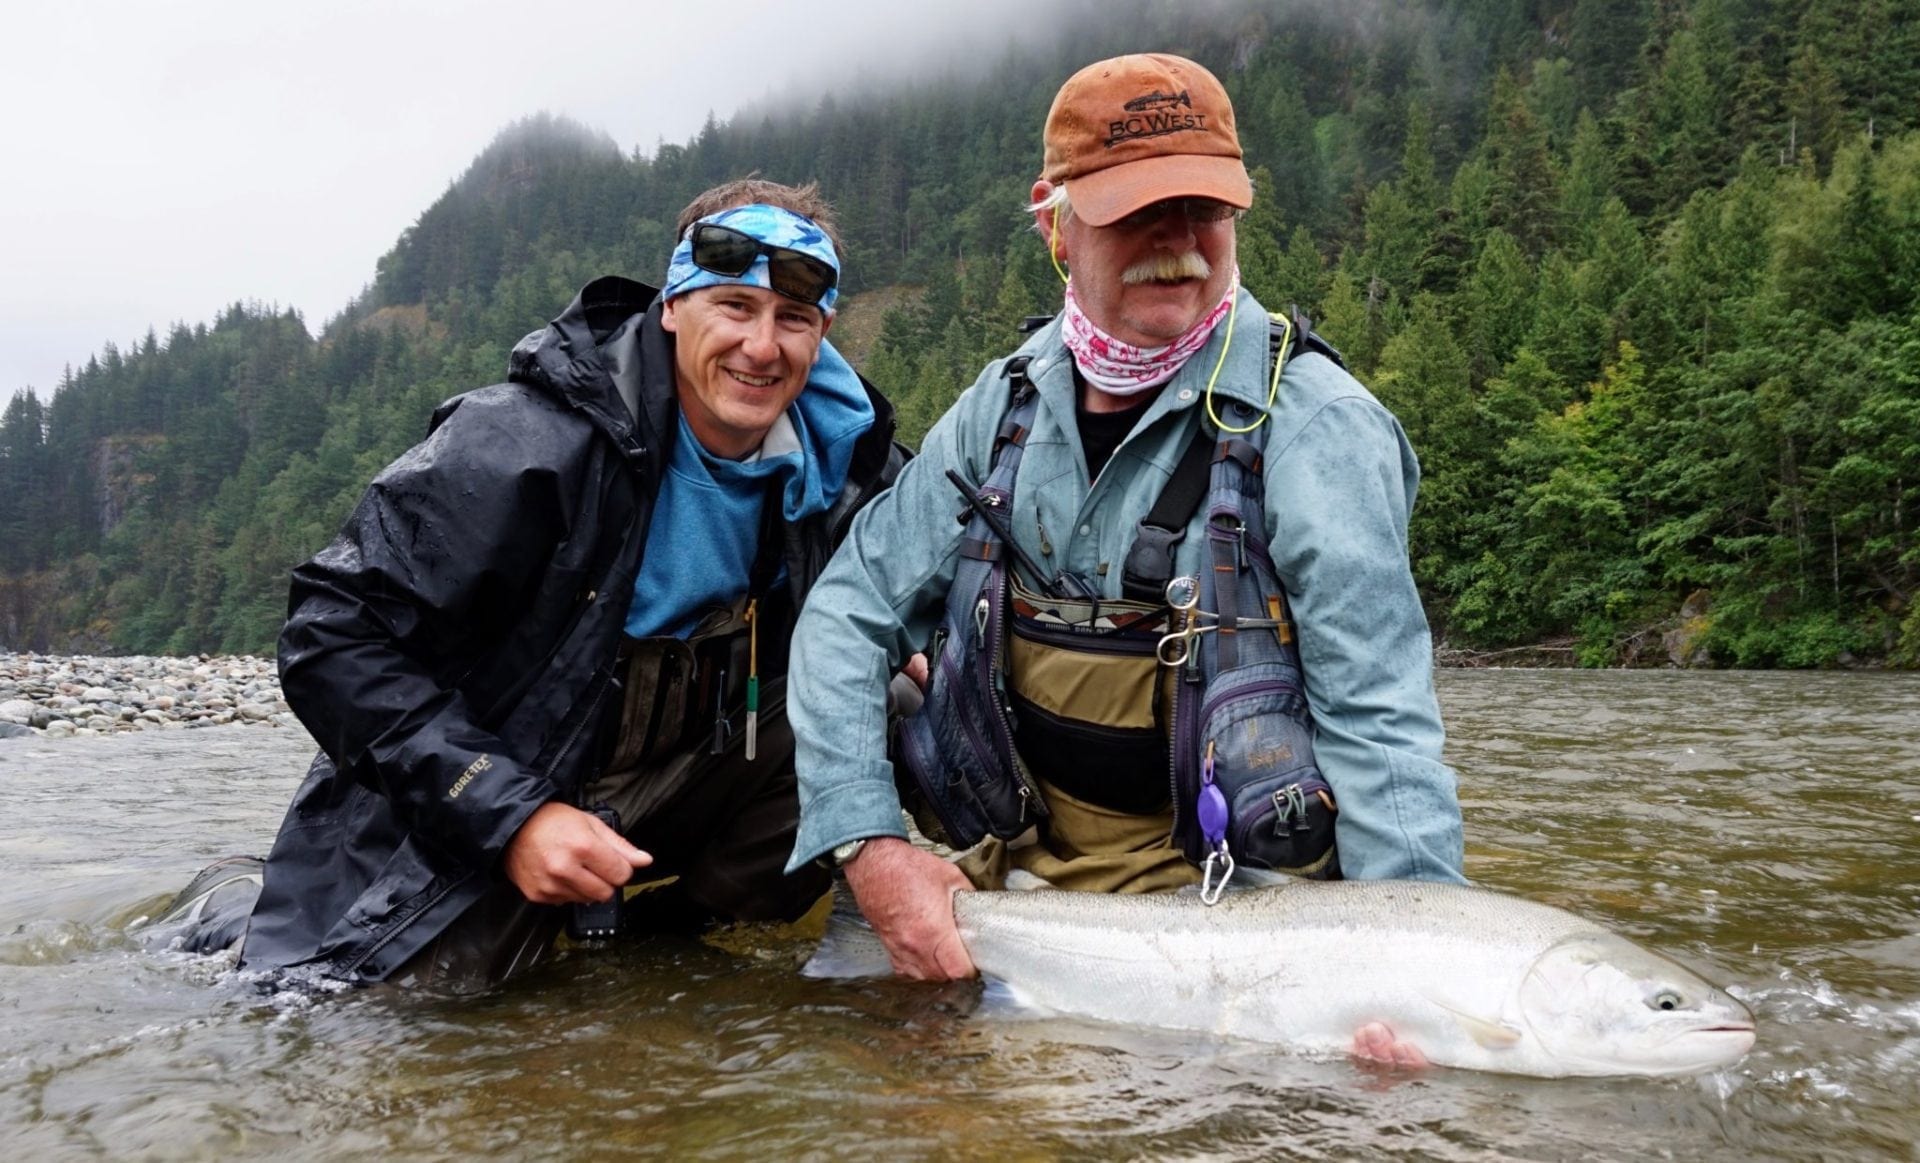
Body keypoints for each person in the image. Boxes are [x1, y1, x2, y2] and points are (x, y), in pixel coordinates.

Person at [784, 53, 1465, 1057]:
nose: (1178, 246)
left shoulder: (1322, 428)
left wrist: (1419, 974)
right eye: (1136, 211)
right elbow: (849, 612)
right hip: (1011, 875)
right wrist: (874, 846)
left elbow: (1382, 719)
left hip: (1231, 920)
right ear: (1053, 222)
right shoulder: (1002, 405)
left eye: (1205, 209)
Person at [160, 178, 905, 992]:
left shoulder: (845, 466)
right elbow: (329, 632)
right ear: (671, 306)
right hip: (482, 791)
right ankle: (230, 897)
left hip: (657, 782)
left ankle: (663, 947)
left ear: (823, 333)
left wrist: (903, 648)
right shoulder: (521, 443)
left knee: (895, 704)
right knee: (348, 1004)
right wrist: (509, 815)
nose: (762, 348)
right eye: (733, 306)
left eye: (792, 319)